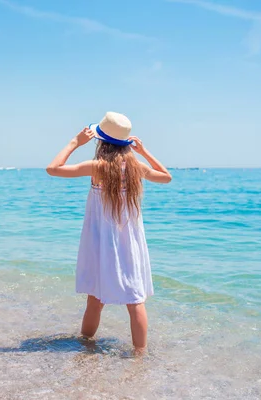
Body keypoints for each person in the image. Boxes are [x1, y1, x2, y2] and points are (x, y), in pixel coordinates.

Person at [46, 111, 172, 355]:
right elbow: (166, 177)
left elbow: (53, 169)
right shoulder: (137, 169)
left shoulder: (97, 168)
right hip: (130, 243)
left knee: (95, 298)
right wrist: (144, 153)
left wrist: (75, 142)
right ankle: (139, 357)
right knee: (135, 300)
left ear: (102, 142)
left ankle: (85, 347)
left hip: (101, 242)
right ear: (125, 144)